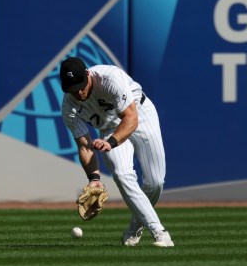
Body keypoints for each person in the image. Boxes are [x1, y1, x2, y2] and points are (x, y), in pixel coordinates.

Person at [60, 57, 174, 247]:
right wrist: (93, 178)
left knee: (155, 182)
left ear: (88, 74)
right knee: (122, 175)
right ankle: (159, 232)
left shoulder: (110, 78)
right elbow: (84, 146)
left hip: (140, 116)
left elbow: (130, 118)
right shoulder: (69, 107)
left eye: (81, 85)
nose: (78, 92)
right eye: (72, 88)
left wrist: (112, 143)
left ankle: (135, 227)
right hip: (108, 129)